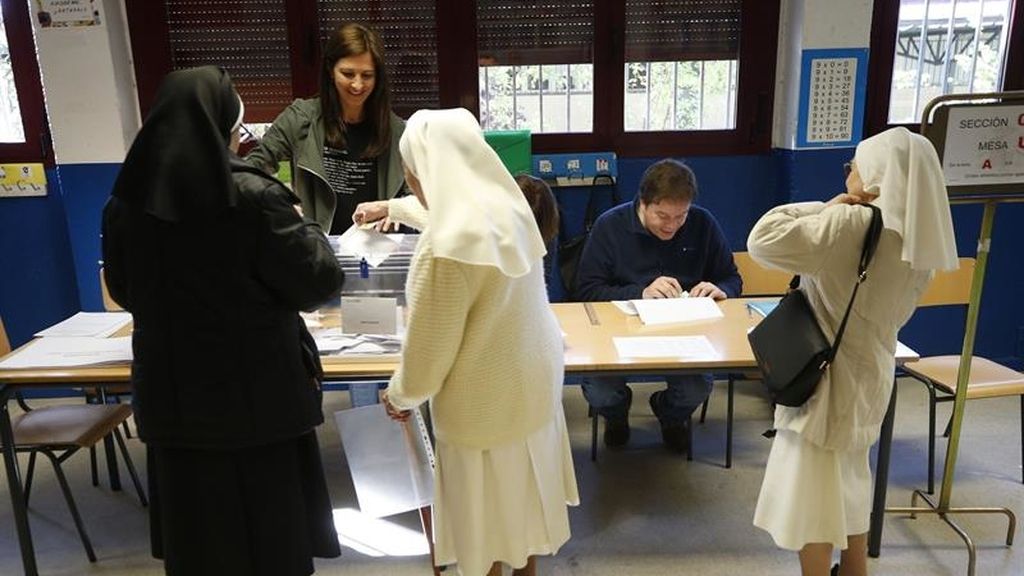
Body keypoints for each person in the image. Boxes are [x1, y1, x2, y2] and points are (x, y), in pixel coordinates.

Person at [101, 66, 345, 576]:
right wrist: (309, 227)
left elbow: (124, 291)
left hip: (174, 408)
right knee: (272, 542)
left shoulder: (124, 203)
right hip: (262, 406)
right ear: (224, 126)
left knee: (198, 547)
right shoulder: (256, 198)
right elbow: (319, 283)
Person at [748, 127, 958, 576]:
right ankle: (856, 569)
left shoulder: (851, 225)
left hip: (825, 382)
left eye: (855, 166)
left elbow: (763, 239)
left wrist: (829, 205)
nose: (849, 173)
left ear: (878, 177)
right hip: (870, 375)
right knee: (850, 483)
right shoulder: (918, 237)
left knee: (814, 504)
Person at [379, 108, 579, 576]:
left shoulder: (442, 249)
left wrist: (398, 394)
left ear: (418, 171)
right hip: (533, 387)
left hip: (482, 406)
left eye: (410, 176)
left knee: (484, 532)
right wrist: (391, 209)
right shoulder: (509, 205)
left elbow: (428, 354)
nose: (411, 184)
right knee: (523, 521)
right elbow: (440, 206)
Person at [574, 159, 742, 452]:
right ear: (643, 203)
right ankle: (616, 416)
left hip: (686, 332)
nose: (672, 225)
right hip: (616, 333)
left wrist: (721, 288)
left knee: (697, 387)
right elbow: (587, 290)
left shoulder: (702, 223)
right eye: (662, 216)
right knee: (601, 392)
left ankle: (670, 416)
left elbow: (731, 277)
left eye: (681, 216)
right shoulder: (610, 226)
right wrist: (640, 292)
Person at [246, 22, 406, 233]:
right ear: (331, 70)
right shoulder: (301, 118)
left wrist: (396, 210)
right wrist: (279, 204)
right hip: (315, 248)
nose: (357, 85)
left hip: (376, 251)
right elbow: (252, 168)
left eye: (367, 75)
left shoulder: (395, 130)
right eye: (348, 74)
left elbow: (415, 196)